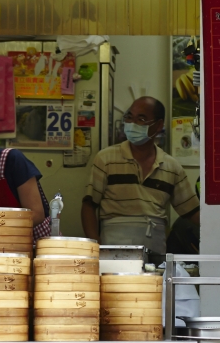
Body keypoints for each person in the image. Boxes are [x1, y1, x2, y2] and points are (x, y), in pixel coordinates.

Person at [81, 96, 200, 254]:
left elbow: (192, 212)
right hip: (112, 250)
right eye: (129, 117)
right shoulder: (105, 159)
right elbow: (89, 206)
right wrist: (96, 246)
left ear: (158, 125)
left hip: (154, 252)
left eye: (141, 119)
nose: (132, 123)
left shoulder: (171, 167)